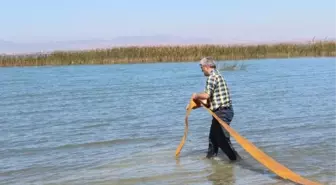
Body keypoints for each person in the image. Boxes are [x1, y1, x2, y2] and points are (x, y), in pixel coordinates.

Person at [188, 56, 240, 161]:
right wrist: (194, 105)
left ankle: (234, 160)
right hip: (222, 111)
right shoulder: (217, 75)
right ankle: (210, 159)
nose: (201, 70)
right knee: (213, 138)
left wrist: (196, 96)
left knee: (221, 139)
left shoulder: (212, 77)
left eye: (201, 67)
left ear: (206, 66)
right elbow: (209, 100)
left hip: (223, 112)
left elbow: (206, 95)